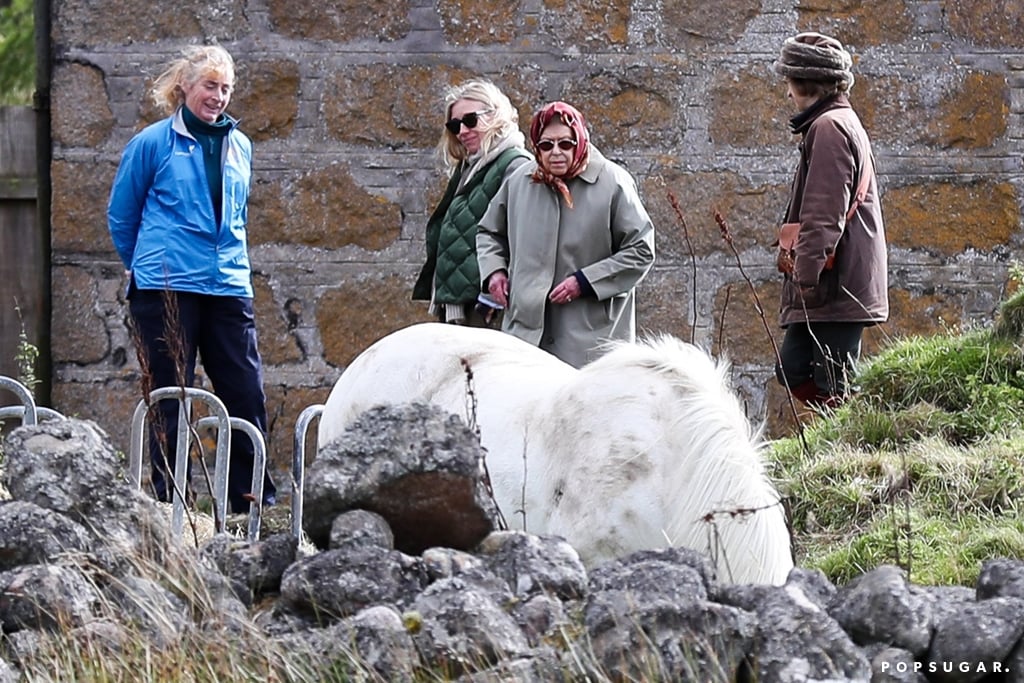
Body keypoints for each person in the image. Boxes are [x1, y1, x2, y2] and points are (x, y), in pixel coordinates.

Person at [107, 44, 276, 513]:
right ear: (185, 87)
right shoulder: (152, 143)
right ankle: (170, 501)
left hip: (227, 287)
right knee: (170, 395)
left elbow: (237, 217)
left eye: (226, 89)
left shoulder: (241, 146)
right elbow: (122, 215)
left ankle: (250, 502)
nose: (218, 97)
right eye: (210, 86)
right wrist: (143, 263)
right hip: (166, 286)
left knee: (245, 390)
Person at [477, 101, 655, 368]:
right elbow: (489, 232)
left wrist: (584, 282)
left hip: (590, 340)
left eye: (566, 143)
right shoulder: (519, 181)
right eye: (547, 145)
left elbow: (641, 250)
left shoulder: (613, 182)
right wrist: (494, 272)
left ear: (580, 140)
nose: (556, 152)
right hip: (525, 336)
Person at [772, 32, 889, 407]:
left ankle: (849, 445)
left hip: (834, 284)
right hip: (835, 282)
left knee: (834, 381)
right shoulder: (835, 122)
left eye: (788, 80)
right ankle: (839, 440)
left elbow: (824, 215)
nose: (787, 92)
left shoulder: (829, 128)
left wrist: (805, 279)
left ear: (802, 82)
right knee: (796, 369)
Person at [412, 79, 532, 326]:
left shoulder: (515, 165)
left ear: (496, 115)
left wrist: (490, 294)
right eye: (455, 125)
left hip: (490, 307)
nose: (462, 132)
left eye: (470, 120)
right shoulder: (470, 168)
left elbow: (523, 240)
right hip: (464, 302)